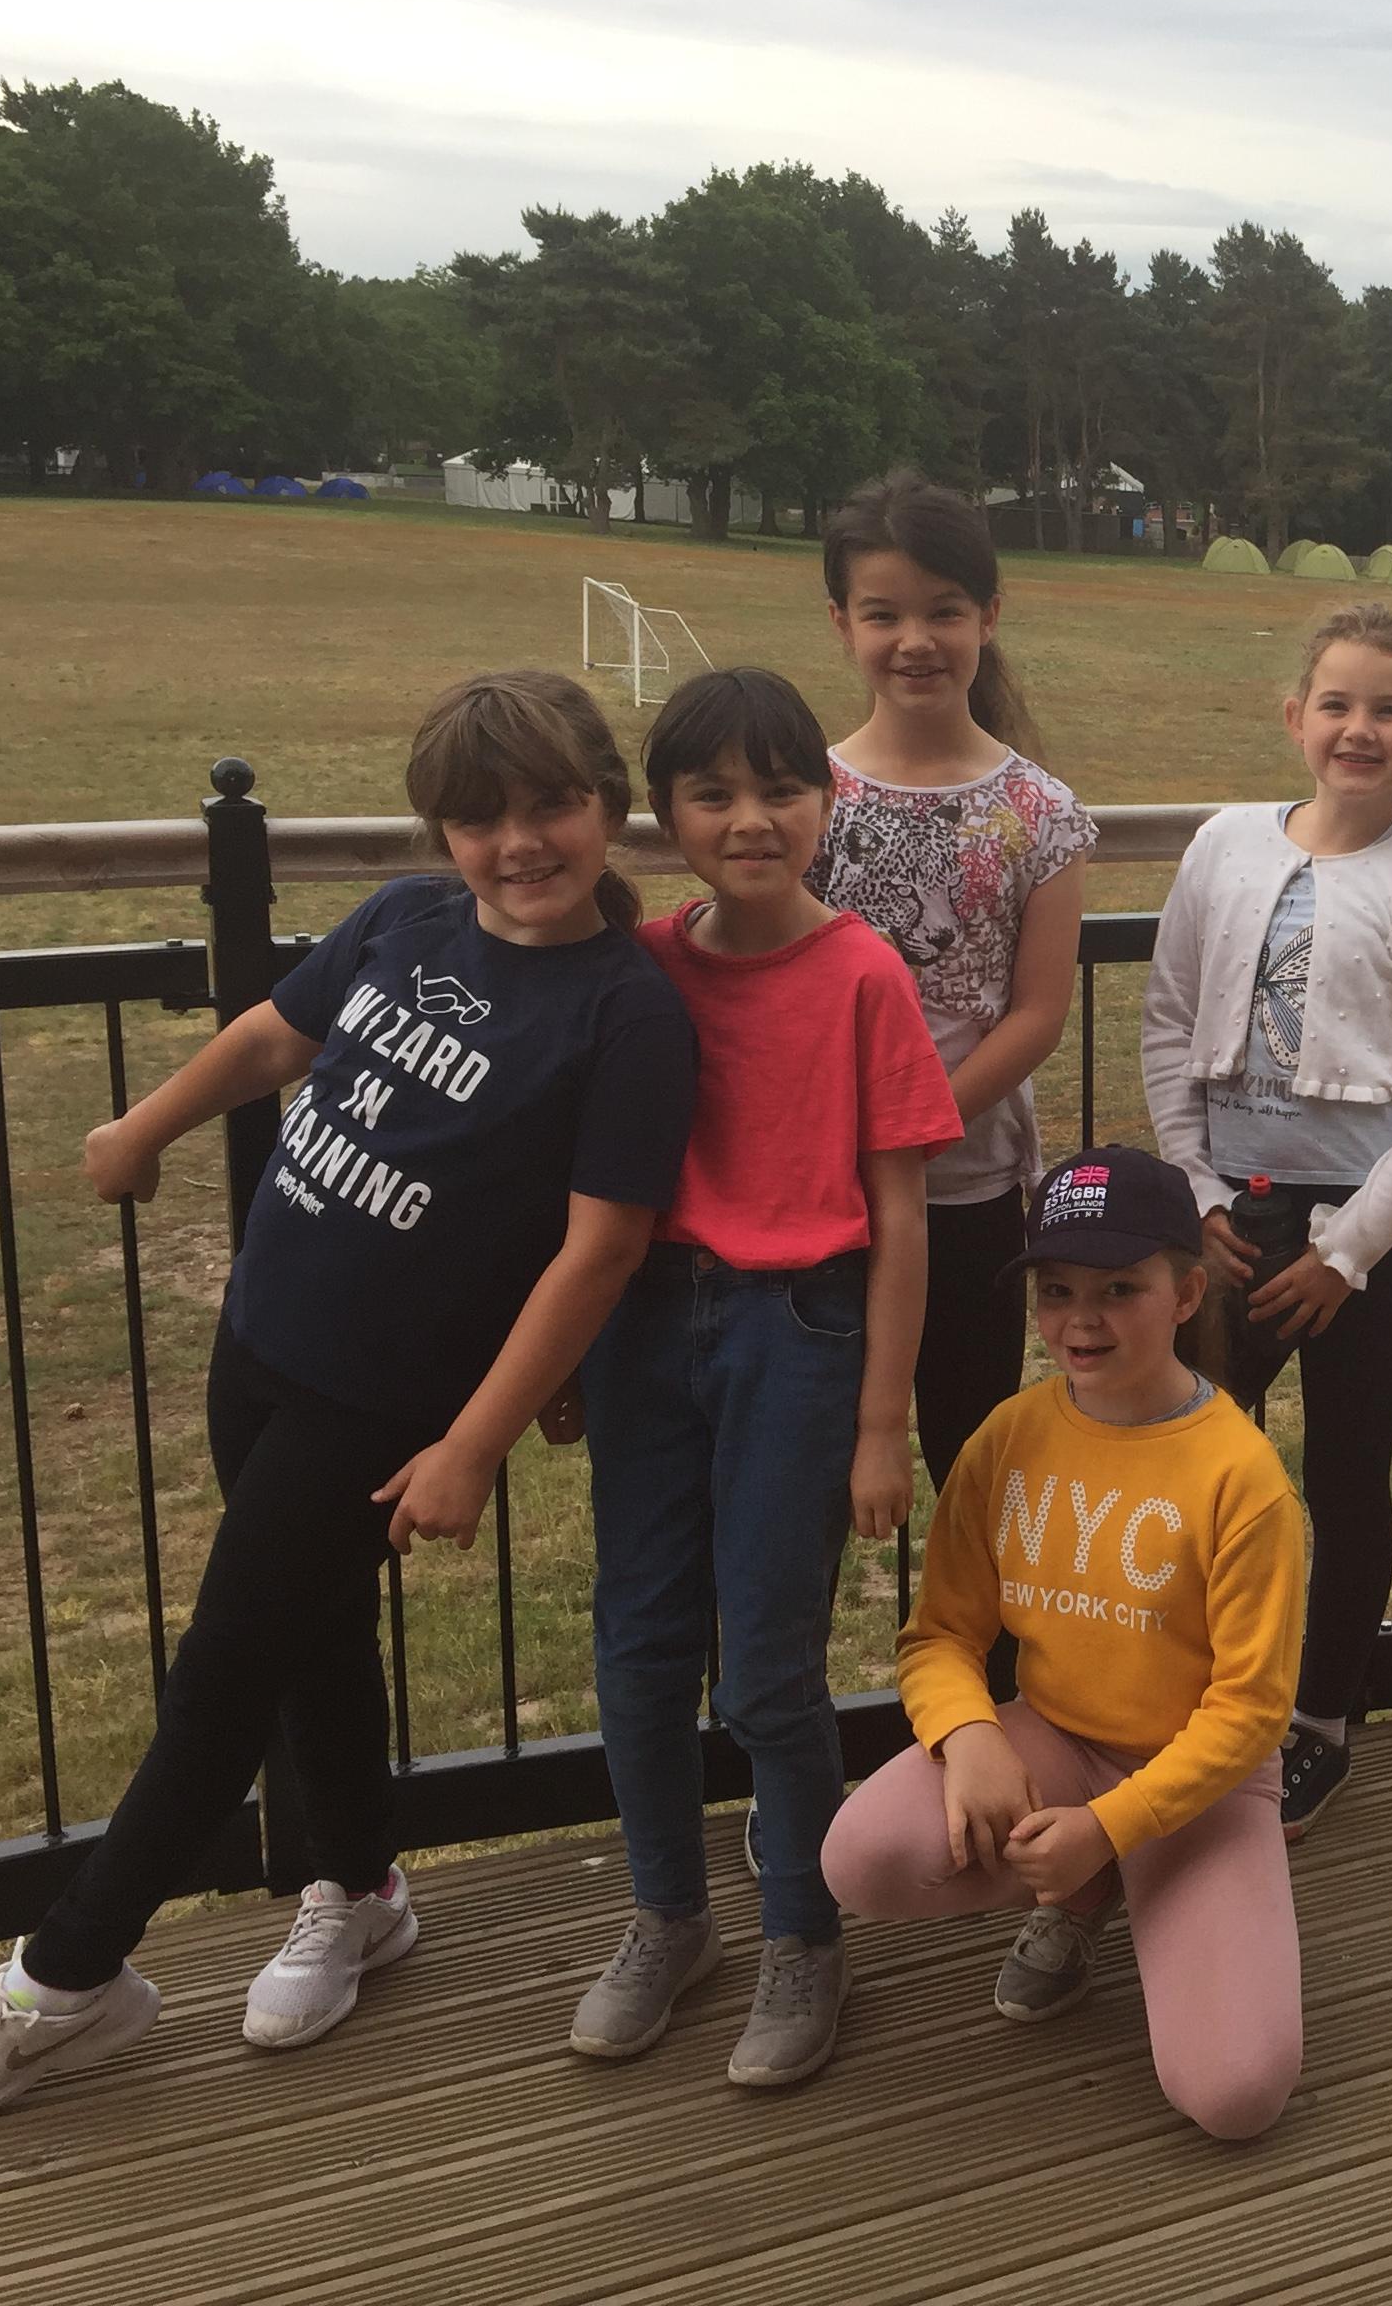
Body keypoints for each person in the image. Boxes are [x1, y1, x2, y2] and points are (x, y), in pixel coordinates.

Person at [0, 671, 695, 2126]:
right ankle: (361, 1891)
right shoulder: (405, 919)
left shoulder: (626, 1014)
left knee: (221, 1676)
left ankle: (64, 1984)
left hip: (381, 1401)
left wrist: (473, 1441)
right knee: (314, 1634)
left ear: (610, 808)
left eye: (552, 805)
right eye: (480, 817)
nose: (519, 842)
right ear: (441, 832)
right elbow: (274, 1035)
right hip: (260, 1343)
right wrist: (144, 1125)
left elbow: (603, 1249)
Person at [567, 667, 960, 2087]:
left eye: (781, 789)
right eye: (713, 794)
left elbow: (902, 1215)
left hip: (799, 1333)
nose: (751, 819)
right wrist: (563, 1356)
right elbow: (584, 1184)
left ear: (825, 802)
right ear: (663, 815)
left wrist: (881, 1424)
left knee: (771, 1671)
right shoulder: (641, 968)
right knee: (638, 1644)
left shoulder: (863, 976)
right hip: (643, 1325)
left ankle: (803, 1936)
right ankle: (668, 1917)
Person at [822, 1145, 1306, 2142]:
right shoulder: (1009, 1437)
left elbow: (1252, 1712)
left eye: (1119, 1288)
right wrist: (970, 1737)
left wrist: (1112, 1825)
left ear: (1185, 1294)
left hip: (1203, 1785)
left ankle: (1137, 1878)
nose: (1081, 1319)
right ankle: (1088, 1890)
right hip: (1059, 1741)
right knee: (862, 1857)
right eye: (1056, 1291)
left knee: (1235, 2095)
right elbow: (941, 1634)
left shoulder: (1241, 1476)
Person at [1138, 601, 1392, 1839]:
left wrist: (1346, 1254)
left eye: (1389, 709)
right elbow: (1169, 1024)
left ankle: (1321, 1722)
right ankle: (1185, 1697)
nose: (1358, 728)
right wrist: (1196, 1193)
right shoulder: (1225, 845)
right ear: (1296, 717)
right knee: (1193, 1468)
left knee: (1344, 1481)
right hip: (1230, 1226)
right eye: (1336, 703)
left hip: (1374, 1240)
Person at [810, 470, 1098, 1489]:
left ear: (989, 615)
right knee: (813, 1461)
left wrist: (909, 1126)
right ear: (842, 623)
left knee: (972, 1469)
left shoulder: (1040, 811)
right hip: (817, 1187)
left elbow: (1037, 1014)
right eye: (882, 614)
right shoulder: (804, 795)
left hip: (968, 1190)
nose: (915, 640)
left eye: (944, 611)